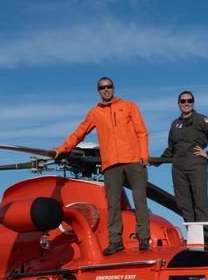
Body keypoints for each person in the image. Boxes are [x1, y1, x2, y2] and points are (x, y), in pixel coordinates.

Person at [53, 77, 151, 254]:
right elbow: (79, 133)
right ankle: (115, 241)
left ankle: (144, 237)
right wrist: (63, 148)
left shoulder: (129, 106)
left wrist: (144, 154)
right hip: (111, 164)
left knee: (139, 200)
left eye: (109, 87)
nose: (106, 90)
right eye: (102, 88)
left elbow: (141, 131)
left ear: (113, 88)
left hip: (133, 160)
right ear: (98, 91)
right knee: (112, 204)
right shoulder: (94, 113)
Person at [159, 91, 208, 245]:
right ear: (178, 103)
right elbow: (171, 148)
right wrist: (158, 161)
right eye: (183, 101)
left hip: (196, 165)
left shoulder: (202, 119)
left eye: (189, 101)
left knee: (200, 200)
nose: (186, 103)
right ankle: (195, 236)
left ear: (193, 103)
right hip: (178, 167)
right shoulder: (175, 124)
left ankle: (207, 236)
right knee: (184, 203)